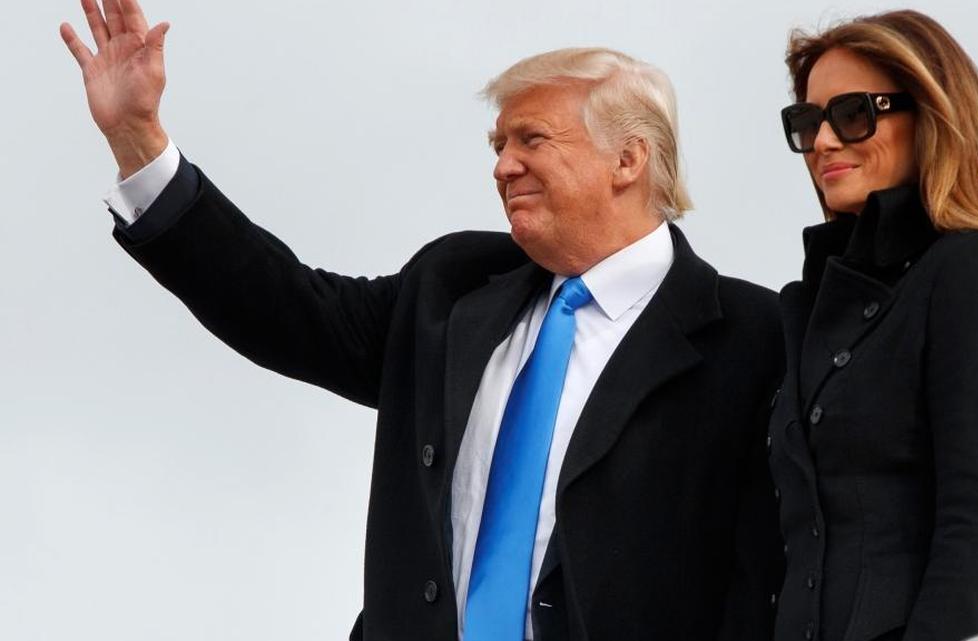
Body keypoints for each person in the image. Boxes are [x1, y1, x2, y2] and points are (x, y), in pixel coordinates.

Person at [60, 1, 786, 640]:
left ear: (629, 158)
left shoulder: (755, 335)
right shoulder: (453, 288)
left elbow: (774, 570)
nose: (503, 167)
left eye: (531, 140)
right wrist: (139, 142)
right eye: (498, 146)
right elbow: (284, 307)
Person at [767, 9, 978, 641]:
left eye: (853, 113)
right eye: (808, 121)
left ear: (929, 115)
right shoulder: (805, 306)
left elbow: (974, 520)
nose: (822, 141)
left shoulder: (972, 271)